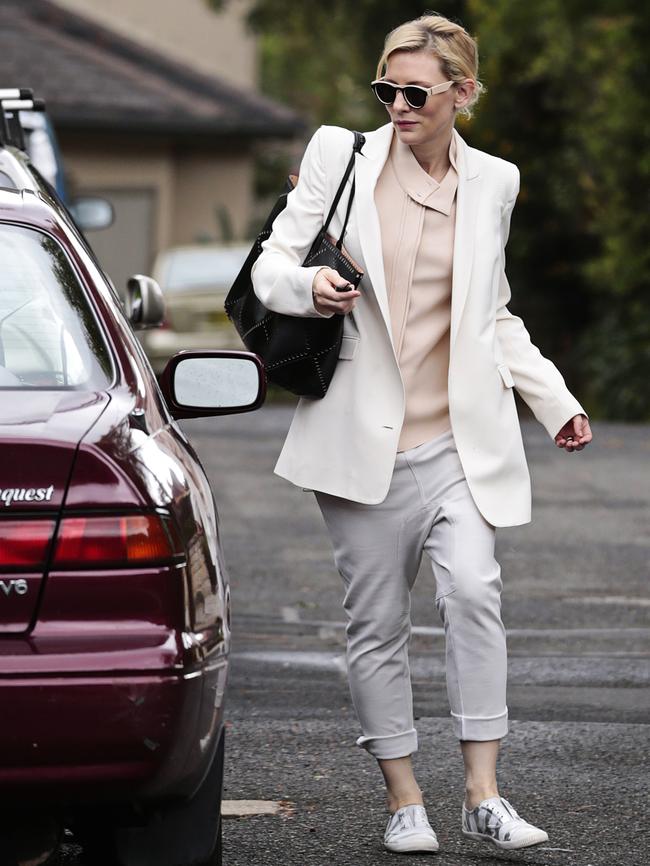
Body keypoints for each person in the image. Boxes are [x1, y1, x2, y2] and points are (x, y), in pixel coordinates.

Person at [251, 12, 593, 856]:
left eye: (417, 92)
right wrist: (311, 288)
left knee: (475, 592)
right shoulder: (344, 154)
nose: (399, 106)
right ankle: (406, 799)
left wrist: (555, 401)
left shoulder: (497, 182)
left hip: (457, 443)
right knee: (376, 624)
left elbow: (494, 313)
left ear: (463, 94)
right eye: (387, 90)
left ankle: (484, 791)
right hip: (359, 443)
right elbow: (269, 266)